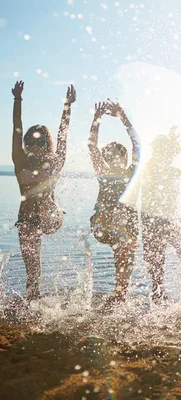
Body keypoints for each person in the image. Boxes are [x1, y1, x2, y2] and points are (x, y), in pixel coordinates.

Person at [11, 81, 76, 301]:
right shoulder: (20, 160)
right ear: (26, 144)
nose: (34, 146)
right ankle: (33, 301)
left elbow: (63, 136)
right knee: (33, 273)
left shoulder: (54, 161)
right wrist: (17, 99)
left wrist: (67, 108)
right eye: (30, 142)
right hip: (28, 220)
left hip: (51, 216)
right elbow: (16, 128)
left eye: (39, 143)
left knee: (46, 203)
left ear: (47, 145)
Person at [140, 126, 181, 302]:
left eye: (165, 153)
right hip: (153, 220)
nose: (163, 156)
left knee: (175, 249)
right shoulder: (149, 168)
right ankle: (163, 291)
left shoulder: (167, 171)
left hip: (161, 219)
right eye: (161, 152)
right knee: (162, 257)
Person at [88, 99, 140, 304]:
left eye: (116, 156)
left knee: (125, 249)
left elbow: (138, 144)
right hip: (103, 224)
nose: (113, 160)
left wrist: (123, 117)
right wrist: (96, 119)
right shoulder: (103, 173)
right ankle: (120, 294)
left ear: (125, 159)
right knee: (124, 238)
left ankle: (120, 294)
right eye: (109, 157)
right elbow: (92, 146)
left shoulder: (131, 174)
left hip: (124, 228)